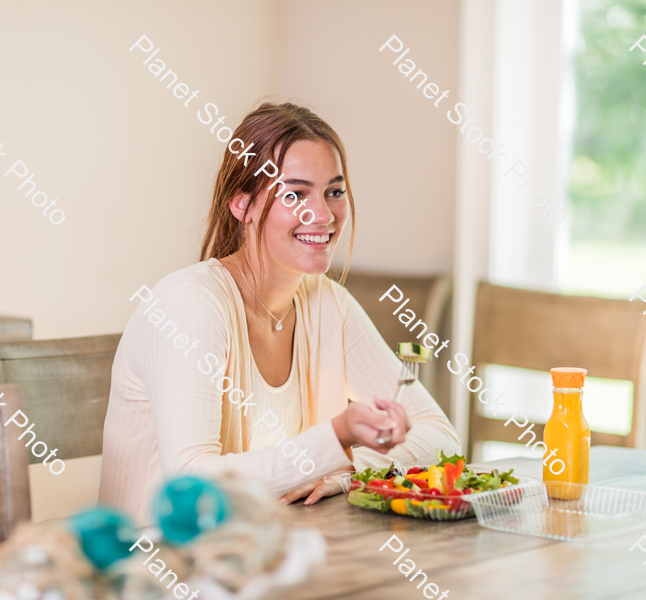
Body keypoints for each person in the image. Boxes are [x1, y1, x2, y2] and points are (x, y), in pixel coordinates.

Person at [98, 101, 459, 524]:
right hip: (156, 571)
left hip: (264, 558)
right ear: (243, 206)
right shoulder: (188, 304)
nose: (323, 214)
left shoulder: (328, 304)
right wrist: (334, 439)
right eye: (295, 194)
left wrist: (345, 468)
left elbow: (440, 437)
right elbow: (190, 485)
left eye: (334, 192)